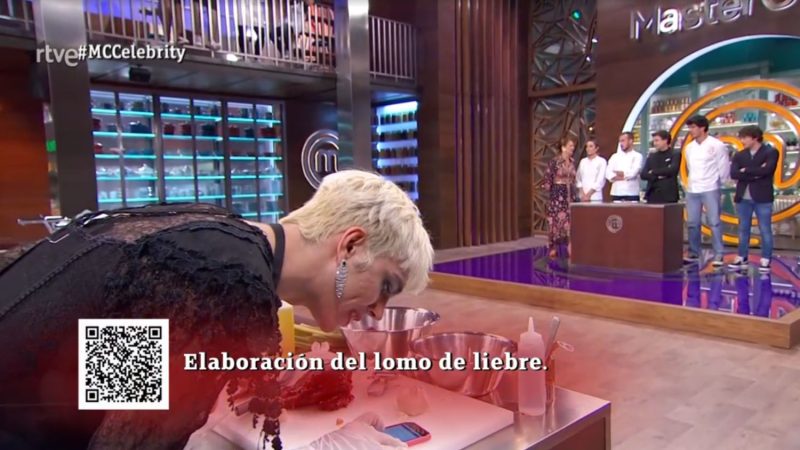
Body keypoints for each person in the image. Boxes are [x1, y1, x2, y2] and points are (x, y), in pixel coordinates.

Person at [0, 170, 433, 450]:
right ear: (350, 246)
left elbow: (106, 390)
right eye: (386, 287)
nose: (378, 312)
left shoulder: (214, 238)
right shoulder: (226, 279)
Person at [728, 125, 779, 272]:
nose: (742, 141)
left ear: (755, 138)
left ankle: (765, 259)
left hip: (763, 197)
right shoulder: (739, 155)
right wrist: (756, 172)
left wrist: (746, 170)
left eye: (744, 138)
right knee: (743, 229)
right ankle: (742, 256)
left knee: (765, 229)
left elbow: (768, 170)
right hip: (743, 198)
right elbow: (734, 174)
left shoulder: (770, 152)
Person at [683, 115, 730, 266]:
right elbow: (689, 167)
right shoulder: (689, 148)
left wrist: (720, 184)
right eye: (689, 127)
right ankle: (694, 252)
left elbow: (723, 167)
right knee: (692, 223)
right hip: (693, 189)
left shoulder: (717, 145)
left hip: (710, 188)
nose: (691, 130)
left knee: (714, 222)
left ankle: (719, 254)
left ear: (702, 128)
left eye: (693, 127)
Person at [543, 137, 577, 258]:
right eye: (570, 145)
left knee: (570, 220)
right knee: (555, 221)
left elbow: (574, 178)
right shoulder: (555, 161)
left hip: (569, 194)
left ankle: (570, 245)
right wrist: (551, 192)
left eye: (573, 146)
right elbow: (548, 178)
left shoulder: (572, 162)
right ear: (563, 147)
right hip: (557, 194)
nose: (572, 148)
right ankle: (553, 246)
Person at [641, 130, 681, 204]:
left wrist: (653, 172)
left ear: (665, 140)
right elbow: (643, 174)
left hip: (669, 195)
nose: (655, 143)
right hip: (652, 194)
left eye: (657, 140)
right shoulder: (652, 156)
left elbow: (672, 170)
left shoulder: (675, 154)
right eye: (654, 141)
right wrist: (658, 176)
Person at [605, 132, 643, 202]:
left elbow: (633, 173)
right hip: (616, 192)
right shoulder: (614, 156)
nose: (621, 144)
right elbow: (608, 173)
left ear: (630, 141)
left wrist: (619, 174)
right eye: (620, 141)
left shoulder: (637, 156)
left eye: (623, 141)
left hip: (632, 193)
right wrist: (624, 176)